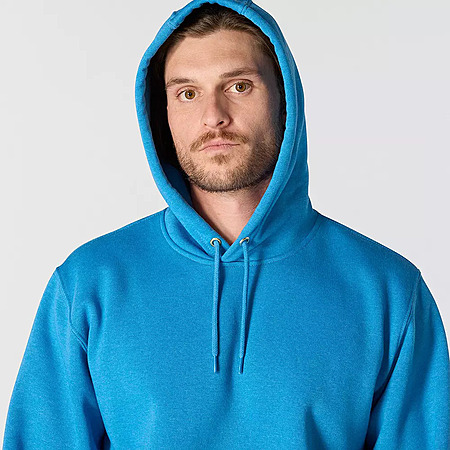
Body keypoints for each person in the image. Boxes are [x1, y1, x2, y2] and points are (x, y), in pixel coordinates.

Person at [3, 0, 449, 448]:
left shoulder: (388, 291)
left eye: (239, 86)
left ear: (285, 101)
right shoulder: (88, 284)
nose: (213, 115)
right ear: (162, 113)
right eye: (187, 93)